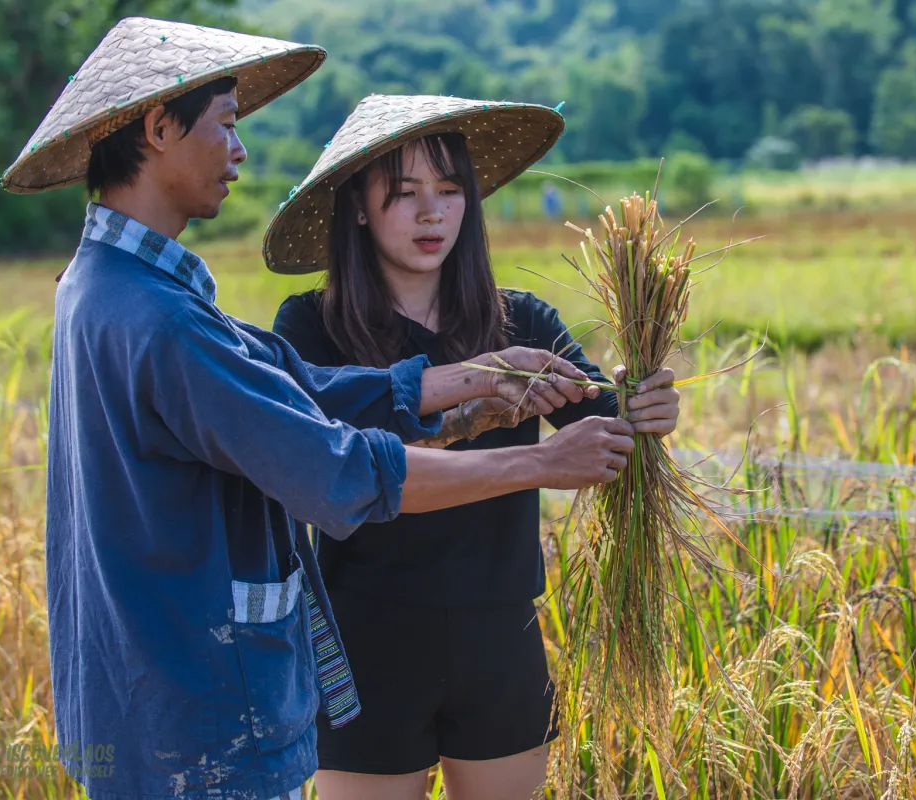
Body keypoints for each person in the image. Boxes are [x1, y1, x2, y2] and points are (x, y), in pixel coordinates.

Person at [0, 24, 635, 800]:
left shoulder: (108, 285)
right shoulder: (156, 318)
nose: (240, 152)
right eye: (227, 124)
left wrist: (462, 380)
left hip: (159, 693)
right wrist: (538, 463)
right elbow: (337, 468)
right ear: (161, 128)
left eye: (448, 191)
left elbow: (290, 383)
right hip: (198, 713)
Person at [263, 94, 681, 800]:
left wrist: (648, 409)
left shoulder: (522, 320)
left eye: (451, 191)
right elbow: (327, 458)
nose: (433, 214)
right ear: (359, 207)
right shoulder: (310, 326)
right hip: (368, 636)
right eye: (405, 194)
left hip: (501, 633)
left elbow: (610, 433)